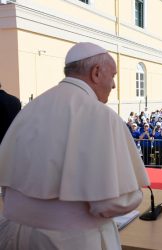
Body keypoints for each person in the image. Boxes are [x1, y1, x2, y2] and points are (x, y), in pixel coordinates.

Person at [0, 42, 149, 249]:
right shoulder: (100, 115)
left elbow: (8, 185)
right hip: (66, 241)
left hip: (12, 235)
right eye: (113, 76)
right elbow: (112, 203)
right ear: (96, 73)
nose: (114, 85)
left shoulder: (31, 108)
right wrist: (137, 194)